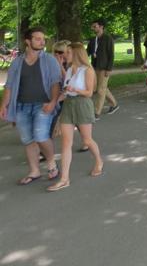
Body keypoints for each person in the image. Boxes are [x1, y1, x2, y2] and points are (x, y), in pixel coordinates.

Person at [0, 26, 61, 185]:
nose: (42, 42)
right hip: (22, 106)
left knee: (40, 135)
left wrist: (53, 102)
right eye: (38, 39)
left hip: (43, 105)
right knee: (28, 139)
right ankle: (34, 171)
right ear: (28, 41)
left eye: (43, 39)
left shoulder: (49, 60)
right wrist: (4, 106)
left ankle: (51, 163)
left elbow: (56, 84)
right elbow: (9, 86)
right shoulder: (17, 62)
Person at [47, 42, 103, 191]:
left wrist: (75, 89)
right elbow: (65, 92)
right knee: (66, 143)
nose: (65, 55)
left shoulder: (87, 70)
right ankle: (64, 179)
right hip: (68, 105)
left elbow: (89, 93)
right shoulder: (70, 69)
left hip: (83, 105)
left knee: (87, 140)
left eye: (68, 53)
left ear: (77, 54)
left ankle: (98, 161)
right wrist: (52, 104)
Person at [86, 18, 117, 117]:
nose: (93, 28)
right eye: (92, 26)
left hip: (104, 68)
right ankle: (114, 104)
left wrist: (109, 69)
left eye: (95, 26)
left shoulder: (108, 39)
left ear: (101, 26)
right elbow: (87, 52)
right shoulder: (92, 40)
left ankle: (97, 112)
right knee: (102, 88)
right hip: (95, 67)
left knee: (100, 90)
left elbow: (111, 55)